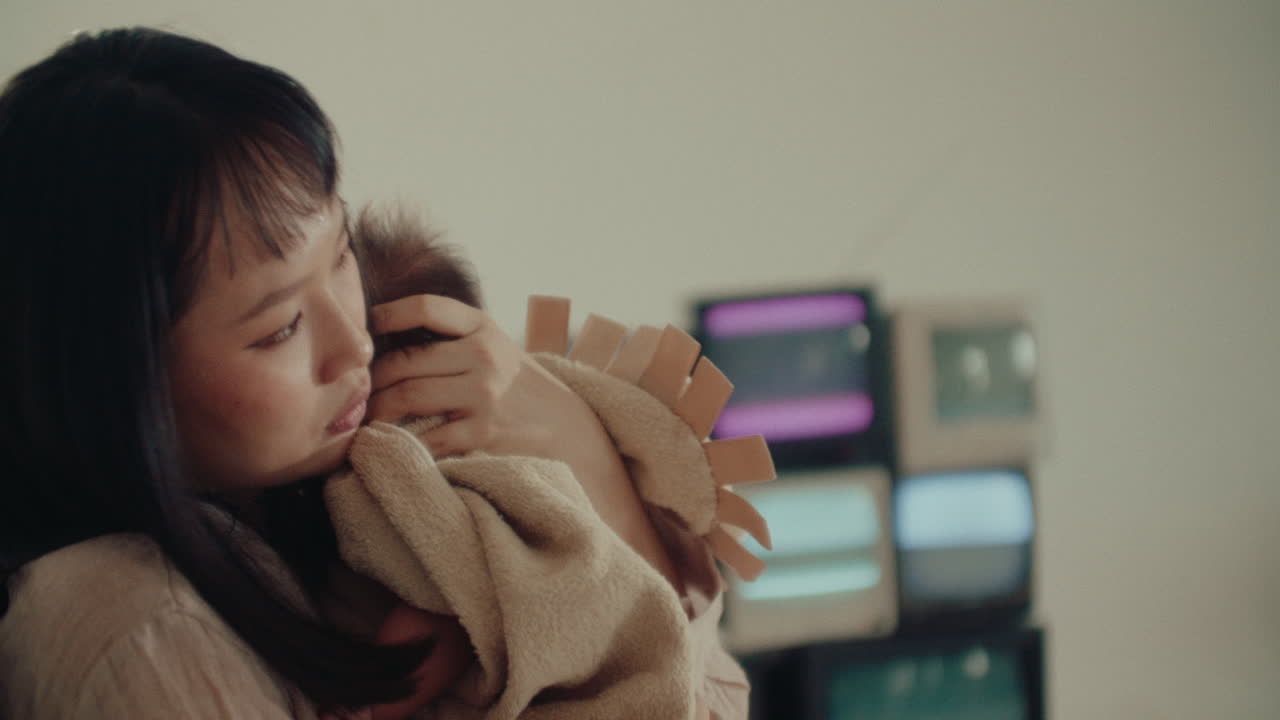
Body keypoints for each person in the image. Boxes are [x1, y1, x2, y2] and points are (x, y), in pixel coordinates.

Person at [0, 27, 688, 719]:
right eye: (280, 329)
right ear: (116, 381)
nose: (354, 344)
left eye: (341, 255)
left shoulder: (289, 508)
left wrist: (582, 449)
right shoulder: (149, 634)